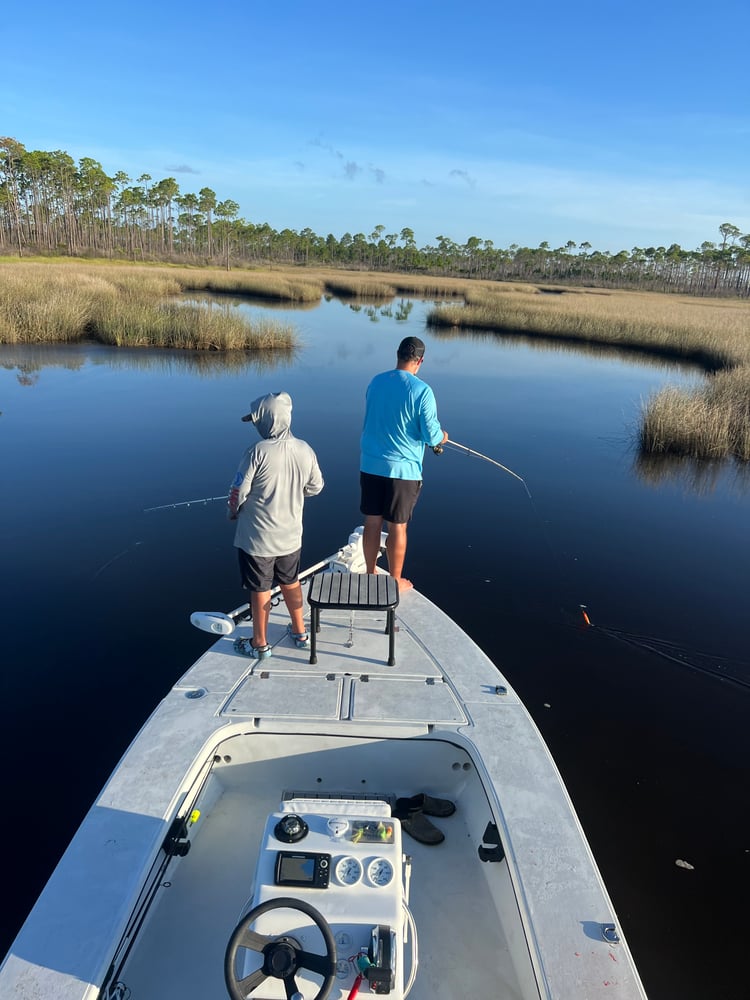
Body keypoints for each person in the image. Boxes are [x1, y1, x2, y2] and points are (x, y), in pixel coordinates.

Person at [227, 391, 324, 659]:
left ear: (267, 420)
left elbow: (238, 492)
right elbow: (317, 486)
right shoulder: (305, 449)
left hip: (258, 540)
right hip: (291, 536)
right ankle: (300, 631)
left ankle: (259, 643)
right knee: (291, 581)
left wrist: (232, 512)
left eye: (257, 420)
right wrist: (293, 493)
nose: (255, 426)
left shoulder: (255, 452)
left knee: (260, 589)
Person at [359, 336, 447, 591]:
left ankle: (370, 572)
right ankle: (395, 581)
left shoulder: (376, 381)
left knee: (372, 520)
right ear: (420, 361)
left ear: (397, 355)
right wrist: (443, 436)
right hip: (403, 470)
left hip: (370, 464)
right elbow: (431, 435)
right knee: (398, 525)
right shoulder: (422, 391)